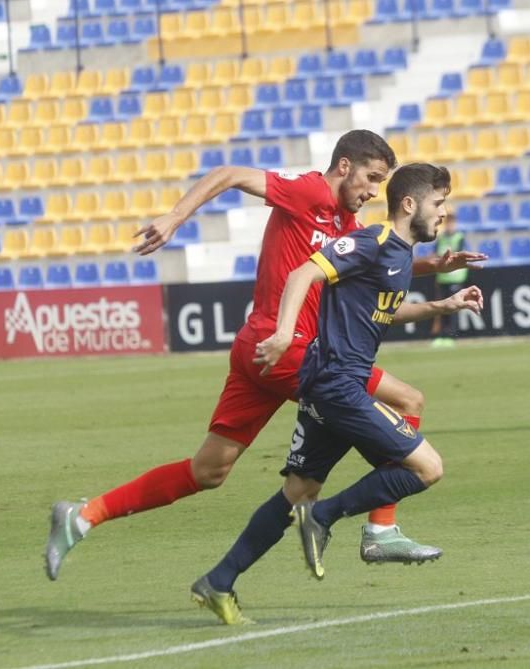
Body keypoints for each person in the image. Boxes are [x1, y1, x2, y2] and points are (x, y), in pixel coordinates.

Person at [44, 131, 487, 580]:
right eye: (370, 178)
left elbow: (375, 267)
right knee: (404, 405)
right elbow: (229, 174)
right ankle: (380, 528)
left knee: (209, 470)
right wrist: (175, 218)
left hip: (260, 353)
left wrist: (433, 267)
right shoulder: (308, 189)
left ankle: (84, 516)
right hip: (287, 348)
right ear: (344, 167)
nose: (373, 191)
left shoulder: (347, 225)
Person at [190, 163, 482, 624]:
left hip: (329, 382)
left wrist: (442, 306)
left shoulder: (401, 254)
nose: (444, 213)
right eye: (439, 203)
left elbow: (385, 311)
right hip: (336, 383)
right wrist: (285, 332)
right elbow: (302, 274)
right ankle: (329, 519)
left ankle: (219, 580)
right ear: (410, 204)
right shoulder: (372, 242)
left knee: (297, 490)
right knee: (426, 468)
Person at [428, 210, 468, 347]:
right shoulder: (441, 238)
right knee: (441, 308)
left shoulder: (459, 237)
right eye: (448, 223)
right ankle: (441, 337)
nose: (450, 226)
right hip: (442, 278)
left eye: (452, 223)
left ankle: (451, 336)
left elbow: (458, 256)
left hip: (456, 278)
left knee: (453, 309)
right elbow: (435, 254)